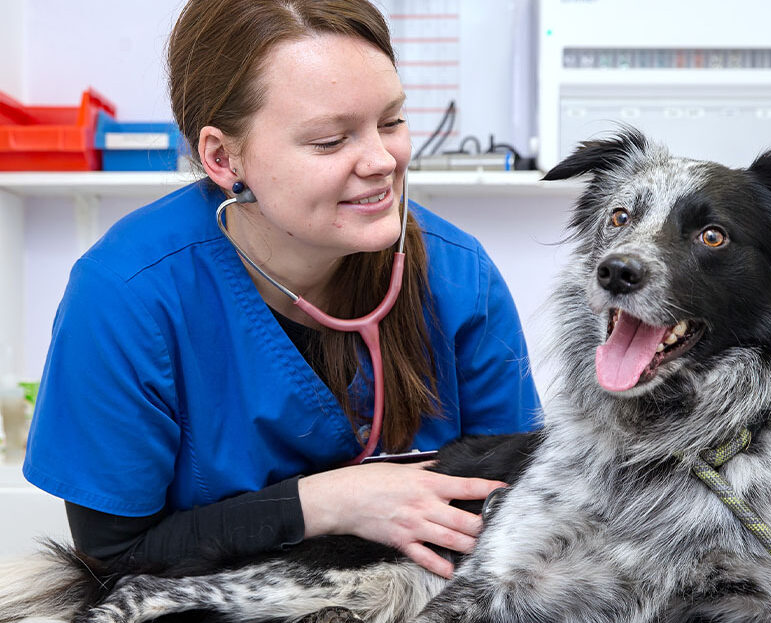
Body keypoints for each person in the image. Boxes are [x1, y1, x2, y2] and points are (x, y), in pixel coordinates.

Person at [23, 0, 541, 580]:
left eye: (391, 121)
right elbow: (111, 556)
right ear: (222, 157)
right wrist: (328, 503)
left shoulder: (459, 278)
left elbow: (524, 502)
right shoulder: (128, 295)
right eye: (329, 140)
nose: (382, 160)